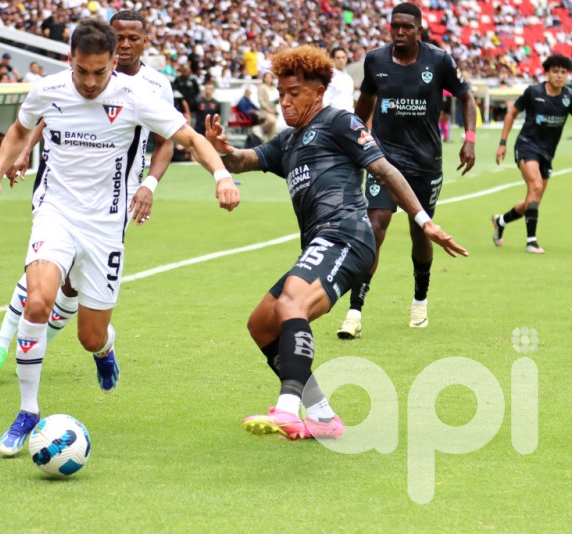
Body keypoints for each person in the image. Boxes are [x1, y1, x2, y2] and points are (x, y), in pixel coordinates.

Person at [0, 17, 240, 456]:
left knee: (90, 336)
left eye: (100, 71)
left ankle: (105, 350)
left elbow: (188, 139)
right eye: (83, 71)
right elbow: (20, 130)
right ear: (71, 60)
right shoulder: (48, 89)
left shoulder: (136, 95)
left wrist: (222, 176)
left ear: (113, 62)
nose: (92, 81)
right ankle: (27, 411)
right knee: (38, 301)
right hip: (55, 212)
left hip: (104, 226)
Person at [204, 45, 467, 441]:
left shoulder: (339, 122)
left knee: (292, 303)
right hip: (320, 244)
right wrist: (224, 151)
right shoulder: (288, 141)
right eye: (281, 93)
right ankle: (324, 417)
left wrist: (423, 219)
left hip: (348, 235)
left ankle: (289, 408)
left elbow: (385, 169)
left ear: (318, 92)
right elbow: (246, 160)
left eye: (294, 93)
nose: (285, 101)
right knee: (261, 324)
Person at [0, 9, 177, 381]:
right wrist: (23, 152)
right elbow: (50, 114)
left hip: (116, 197)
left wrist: (150, 184)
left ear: (144, 41)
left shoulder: (154, 86)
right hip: (62, 185)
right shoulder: (80, 75)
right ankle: (3, 344)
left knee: (73, 284)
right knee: (45, 269)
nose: (127, 43)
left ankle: (59, 343)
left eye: (134, 37)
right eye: (120, 37)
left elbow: (168, 141)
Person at [337, 1, 476, 339]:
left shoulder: (439, 60)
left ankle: (419, 301)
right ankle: (354, 312)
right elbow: (365, 103)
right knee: (375, 227)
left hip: (425, 163)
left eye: (407, 27)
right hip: (385, 160)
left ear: (419, 29)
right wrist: (356, 135)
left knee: (421, 232)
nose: (400, 32)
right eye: (395, 26)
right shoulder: (375, 60)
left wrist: (469, 138)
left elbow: (467, 98)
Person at [492, 54, 572, 254]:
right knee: (535, 186)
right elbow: (512, 113)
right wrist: (503, 143)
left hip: (548, 152)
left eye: (564, 72)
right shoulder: (533, 92)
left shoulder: (568, 96)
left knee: (532, 200)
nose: (560, 76)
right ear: (547, 73)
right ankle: (531, 241)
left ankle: (500, 221)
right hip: (527, 146)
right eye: (555, 71)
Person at [322, 46, 354, 112]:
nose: (341, 60)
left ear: (346, 59)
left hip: (349, 114)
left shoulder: (349, 79)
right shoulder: (330, 77)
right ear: (333, 59)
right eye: (338, 58)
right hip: (335, 116)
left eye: (343, 57)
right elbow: (325, 100)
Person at [256, 71, 278, 140]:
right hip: (265, 110)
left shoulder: (274, 88)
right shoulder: (262, 87)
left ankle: (270, 143)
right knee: (272, 121)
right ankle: (259, 128)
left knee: (273, 128)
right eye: (267, 77)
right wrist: (267, 108)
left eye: (270, 77)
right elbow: (261, 100)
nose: (268, 79)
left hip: (273, 109)